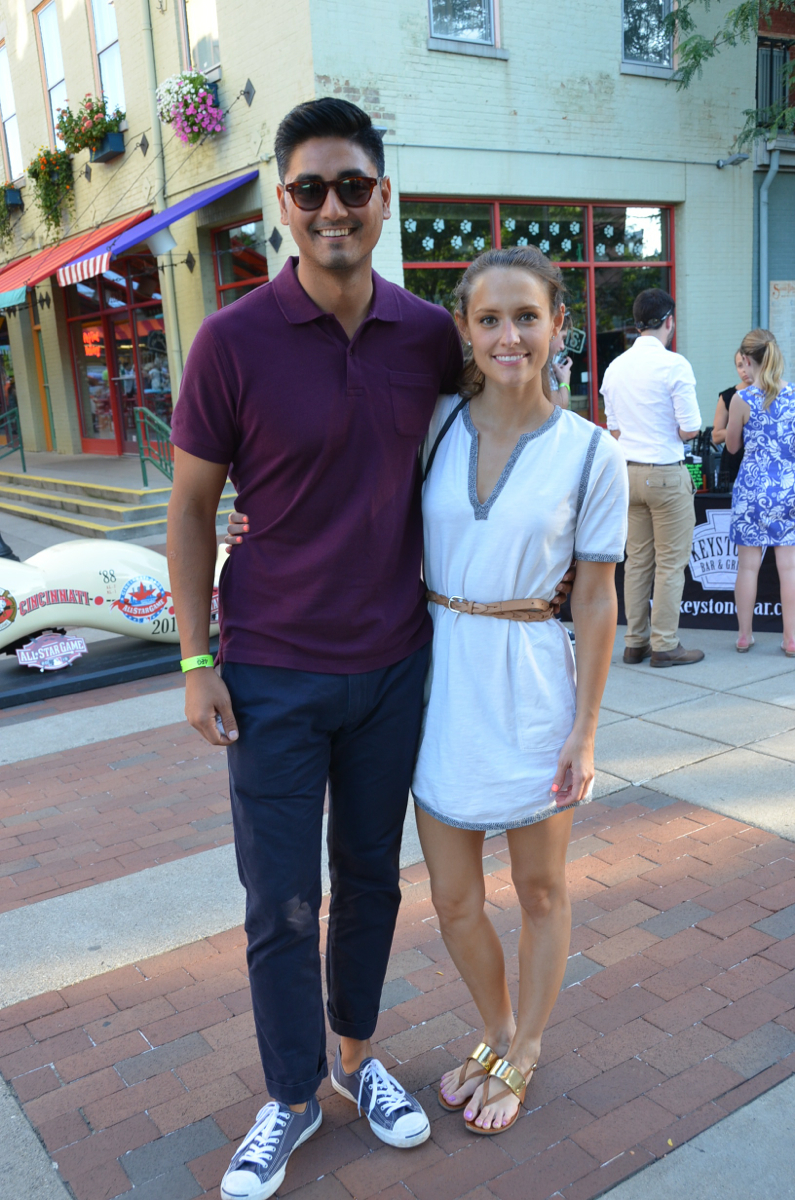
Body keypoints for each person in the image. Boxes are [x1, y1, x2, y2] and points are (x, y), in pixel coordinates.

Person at [169, 99, 574, 1200]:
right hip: (269, 673)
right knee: (279, 900)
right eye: (311, 190)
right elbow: (195, 509)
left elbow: (508, 416)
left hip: (398, 669)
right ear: (283, 206)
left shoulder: (426, 340)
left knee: (369, 886)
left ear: (384, 199)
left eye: (354, 186)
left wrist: (594, 465)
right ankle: (293, 1096)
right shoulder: (231, 343)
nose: (334, 207)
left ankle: (356, 1060)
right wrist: (197, 662)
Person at [229, 246, 625, 1135]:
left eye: (526, 316)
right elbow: (341, 492)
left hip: (532, 680)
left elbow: (597, 600)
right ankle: (495, 1026)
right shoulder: (435, 422)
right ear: (464, 330)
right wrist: (253, 518)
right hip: (439, 673)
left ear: (558, 325)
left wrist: (586, 730)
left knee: (539, 891)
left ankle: (522, 1053)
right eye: (488, 319)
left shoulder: (590, 452)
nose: (508, 335)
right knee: (451, 897)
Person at [602, 288, 705, 667]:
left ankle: (634, 642)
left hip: (628, 474)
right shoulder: (674, 365)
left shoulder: (616, 367)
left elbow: (614, 429)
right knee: (670, 564)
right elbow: (691, 428)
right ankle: (665, 644)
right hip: (665, 474)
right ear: (669, 322)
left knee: (637, 562)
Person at [726, 328, 795, 655]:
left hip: (752, 489)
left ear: (750, 361)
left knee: (748, 567)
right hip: (787, 488)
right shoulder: (794, 395)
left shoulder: (741, 399)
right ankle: (791, 639)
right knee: (790, 569)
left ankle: (744, 635)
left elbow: (731, 445)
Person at [712, 351, 751, 485]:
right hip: (733, 463)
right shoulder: (728, 396)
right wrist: (744, 431)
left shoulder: (771, 394)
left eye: (748, 364)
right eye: (740, 366)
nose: (745, 370)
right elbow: (716, 435)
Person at [548, 311, 572, 408]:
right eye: (562, 338)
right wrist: (564, 381)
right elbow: (559, 407)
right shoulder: (540, 365)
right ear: (553, 332)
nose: (562, 346)